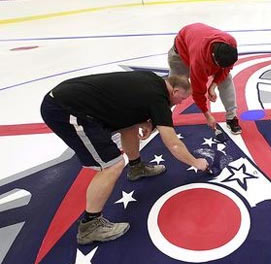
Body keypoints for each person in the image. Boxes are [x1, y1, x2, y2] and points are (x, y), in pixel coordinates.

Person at [40, 71, 209, 245]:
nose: (182, 102)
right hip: (66, 109)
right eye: (182, 98)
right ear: (174, 91)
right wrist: (197, 163)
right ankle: (90, 226)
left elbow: (128, 106)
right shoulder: (158, 99)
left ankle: (136, 167)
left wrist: (142, 121)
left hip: (70, 97)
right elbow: (173, 144)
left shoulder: (153, 80)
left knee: (129, 126)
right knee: (112, 165)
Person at [169, 23, 242, 134]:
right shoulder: (199, 61)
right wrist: (207, 115)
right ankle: (158, 118)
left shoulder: (230, 42)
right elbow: (198, 91)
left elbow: (226, 69)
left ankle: (231, 117)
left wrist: (213, 85)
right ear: (213, 57)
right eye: (220, 66)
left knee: (226, 79)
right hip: (181, 53)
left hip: (196, 38)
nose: (223, 68)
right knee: (173, 89)